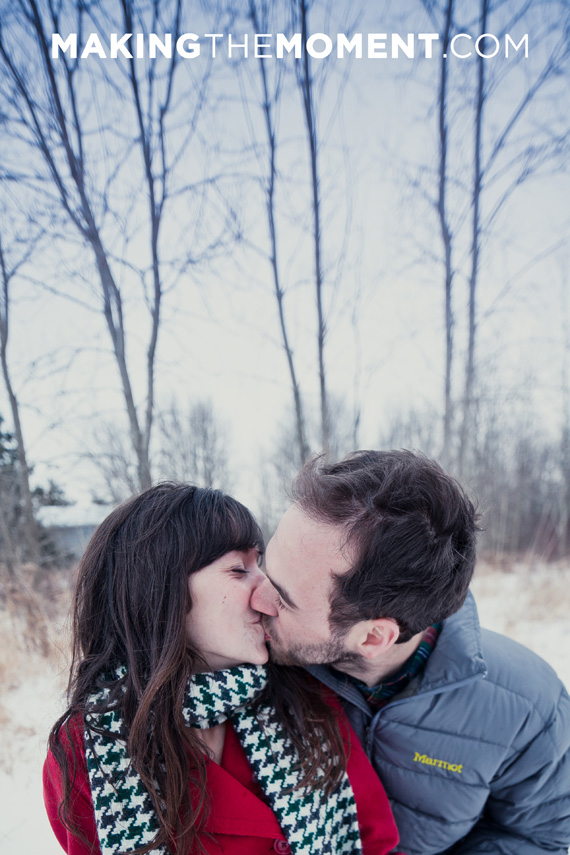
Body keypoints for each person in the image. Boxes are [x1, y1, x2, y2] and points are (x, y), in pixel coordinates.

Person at [43, 483, 399, 855]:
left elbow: (377, 843)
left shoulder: (305, 698)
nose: (270, 594)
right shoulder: (88, 750)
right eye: (238, 569)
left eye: (259, 563)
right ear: (160, 589)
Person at [251, 450, 570, 855]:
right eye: (264, 562)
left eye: (281, 597)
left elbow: (537, 839)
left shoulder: (529, 710)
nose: (255, 598)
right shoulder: (251, 669)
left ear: (372, 638)